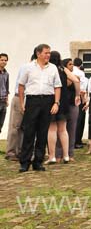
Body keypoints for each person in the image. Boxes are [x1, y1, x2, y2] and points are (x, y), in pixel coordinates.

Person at [18, 44, 62, 172]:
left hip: (47, 101)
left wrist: (56, 103)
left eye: (49, 53)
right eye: (46, 53)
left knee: (43, 133)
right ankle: (25, 162)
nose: (48, 55)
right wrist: (22, 103)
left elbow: (57, 86)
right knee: (29, 132)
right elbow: (21, 86)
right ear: (38, 53)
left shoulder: (53, 68)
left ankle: (38, 161)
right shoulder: (28, 67)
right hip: (32, 100)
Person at [45, 52, 80, 164]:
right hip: (64, 102)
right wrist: (77, 95)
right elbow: (76, 80)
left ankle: (52, 156)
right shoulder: (63, 69)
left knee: (52, 129)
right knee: (63, 130)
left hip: (52, 100)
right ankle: (66, 155)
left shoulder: (49, 69)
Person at [0, 53, 9, 135]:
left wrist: (7, 100)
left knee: (0, 125)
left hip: (3, 101)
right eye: (2, 60)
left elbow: (6, 88)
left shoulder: (6, 74)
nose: (4, 62)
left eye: (5, 60)